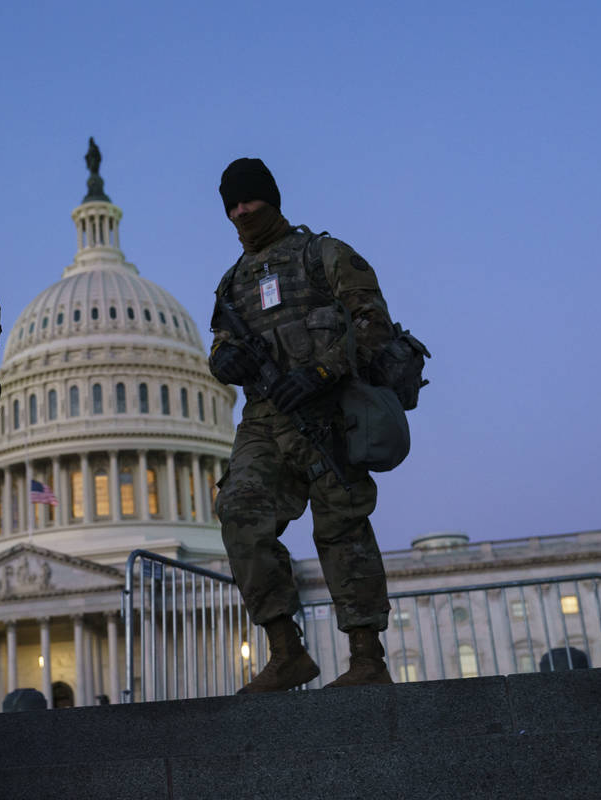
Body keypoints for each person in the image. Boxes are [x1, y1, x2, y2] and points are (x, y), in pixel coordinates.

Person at [209, 157, 398, 692]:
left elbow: (372, 323)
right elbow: (221, 342)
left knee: (341, 528)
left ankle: (366, 657)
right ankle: (285, 650)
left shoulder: (324, 255)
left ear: (272, 198)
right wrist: (224, 361)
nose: (242, 212)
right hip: (265, 420)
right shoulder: (232, 283)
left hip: (329, 413)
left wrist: (320, 372)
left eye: (249, 200)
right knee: (238, 509)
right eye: (233, 205)